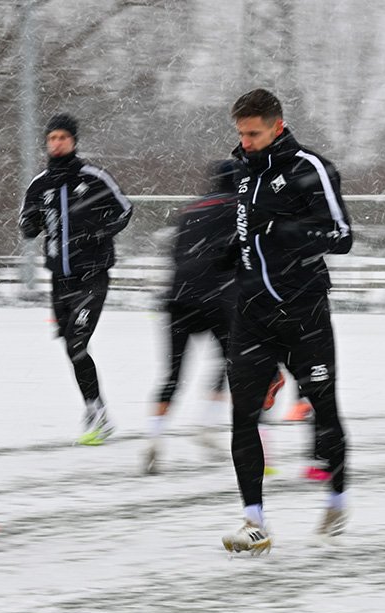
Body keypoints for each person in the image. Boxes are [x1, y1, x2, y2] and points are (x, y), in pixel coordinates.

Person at [220, 88, 353, 555]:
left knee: (324, 408)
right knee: (241, 415)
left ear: (277, 125)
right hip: (253, 314)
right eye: (241, 133)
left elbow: (341, 236)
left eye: (254, 133)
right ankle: (253, 520)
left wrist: (285, 231)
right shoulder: (240, 173)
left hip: (304, 312)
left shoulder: (308, 168)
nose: (246, 141)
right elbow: (243, 240)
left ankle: (337, 496)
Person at [20, 114, 131, 445]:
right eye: (52, 138)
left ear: (74, 141)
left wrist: (98, 233)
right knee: (72, 348)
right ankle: (95, 408)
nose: (56, 143)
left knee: (77, 342)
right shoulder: (40, 184)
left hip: (92, 276)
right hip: (60, 280)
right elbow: (28, 225)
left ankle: (96, 415)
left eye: (62, 138)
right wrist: (30, 223)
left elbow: (124, 210)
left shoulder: (93, 177)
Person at [145, 160, 239, 475]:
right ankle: (208, 426)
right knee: (231, 360)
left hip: (177, 296)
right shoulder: (238, 208)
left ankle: (154, 440)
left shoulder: (190, 210)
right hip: (215, 298)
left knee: (172, 375)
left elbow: (175, 254)